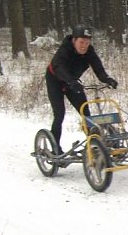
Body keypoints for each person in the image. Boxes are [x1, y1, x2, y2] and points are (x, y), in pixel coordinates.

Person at [45, 25, 118, 154]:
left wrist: (107, 79)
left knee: (85, 113)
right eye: (81, 42)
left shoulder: (89, 51)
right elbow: (59, 68)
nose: (84, 46)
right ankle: (56, 149)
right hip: (55, 81)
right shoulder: (64, 50)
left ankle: (94, 144)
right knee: (59, 114)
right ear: (74, 40)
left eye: (87, 42)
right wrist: (71, 81)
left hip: (72, 82)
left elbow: (98, 68)